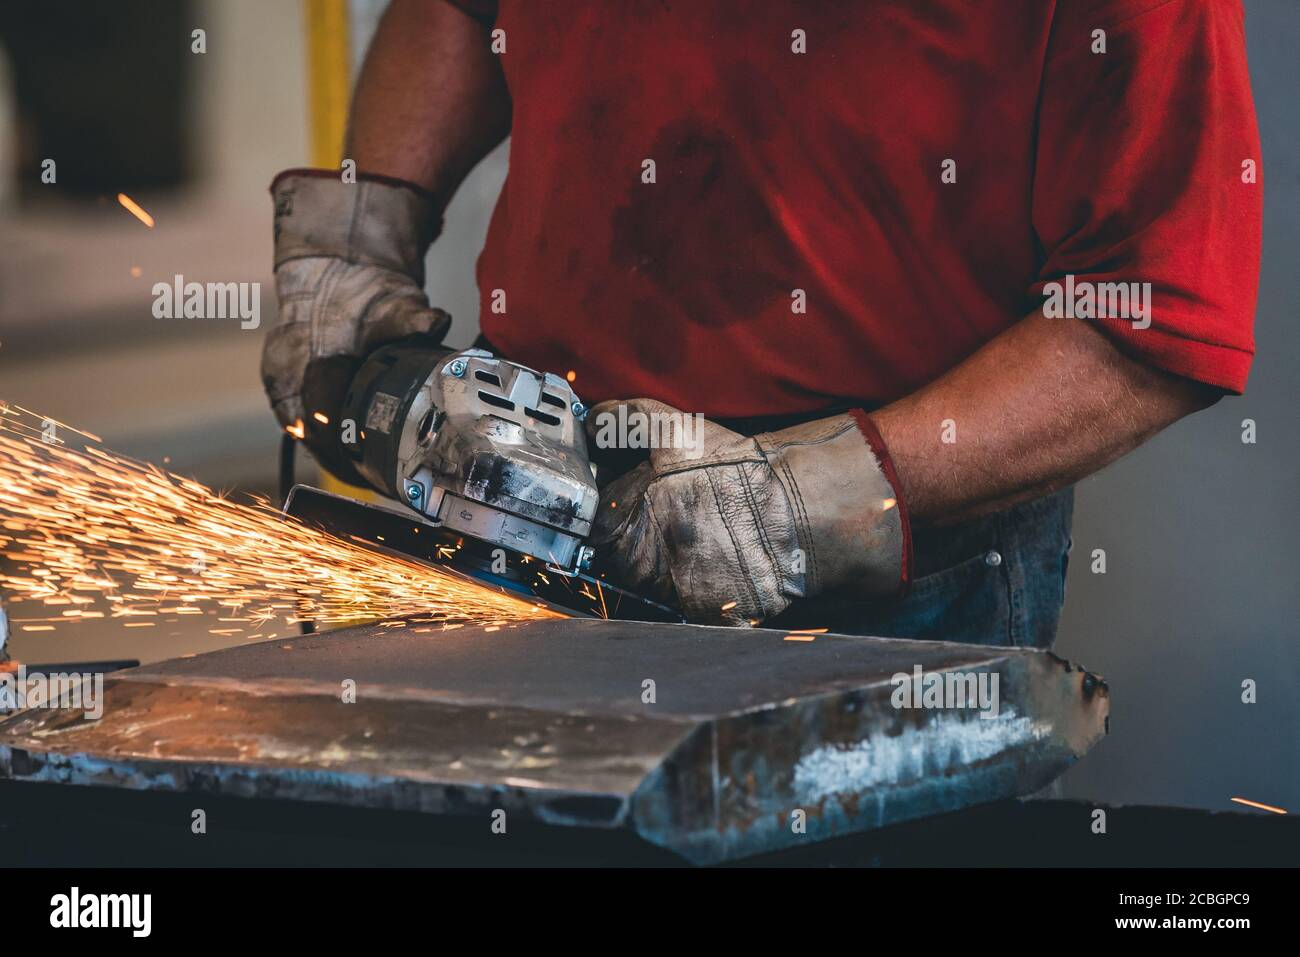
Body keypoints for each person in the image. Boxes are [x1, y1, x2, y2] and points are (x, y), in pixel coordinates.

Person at [261, 0, 1261, 646]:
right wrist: (356, 240)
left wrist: (795, 508)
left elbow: (1150, 327)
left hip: (891, 550)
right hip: (531, 471)